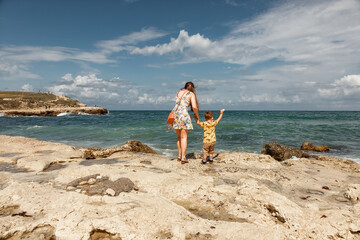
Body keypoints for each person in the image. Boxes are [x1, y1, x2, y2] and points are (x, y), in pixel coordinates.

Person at [170, 82, 199, 164]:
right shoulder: (191, 94)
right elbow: (194, 107)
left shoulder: (179, 92)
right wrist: (197, 115)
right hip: (184, 115)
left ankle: (179, 156)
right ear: (193, 88)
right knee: (184, 137)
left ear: (185, 86)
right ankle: (183, 157)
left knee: (179, 136)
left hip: (175, 114)